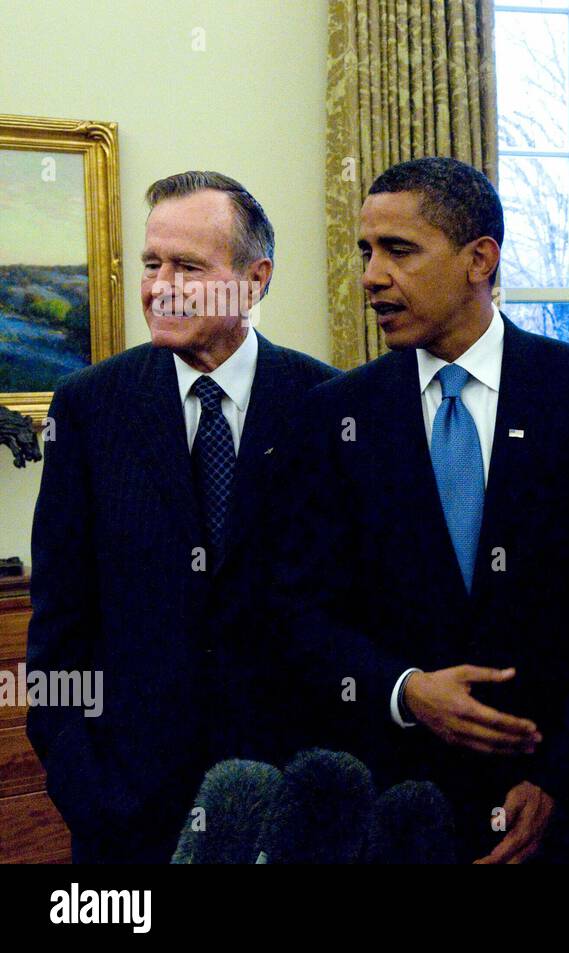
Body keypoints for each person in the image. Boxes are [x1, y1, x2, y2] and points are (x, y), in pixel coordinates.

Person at [275, 157, 569, 863]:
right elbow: (300, 612)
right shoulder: (334, 414)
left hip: (567, 813)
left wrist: (557, 780)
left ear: (479, 258)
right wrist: (405, 689)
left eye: (398, 250)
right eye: (366, 251)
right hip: (398, 816)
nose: (370, 276)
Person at [26, 171, 337, 863]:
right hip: (124, 820)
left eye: (188, 266)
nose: (159, 285)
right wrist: (86, 788)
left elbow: (354, 617)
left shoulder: (330, 406)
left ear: (254, 280)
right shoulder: (88, 407)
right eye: (151, 263)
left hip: (285, 816)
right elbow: (59, 629)